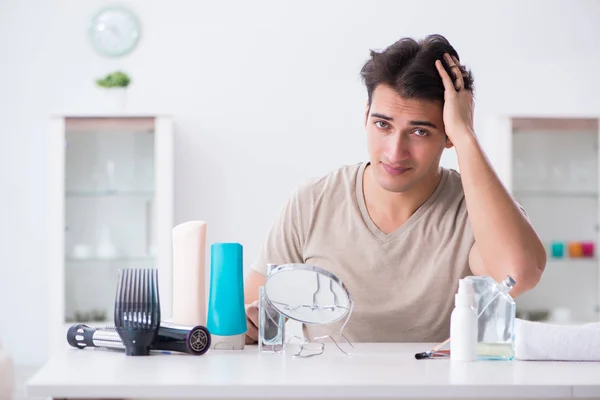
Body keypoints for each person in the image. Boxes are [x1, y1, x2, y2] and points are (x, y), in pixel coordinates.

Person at [243, 34, 546, 344]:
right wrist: (250, 325)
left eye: (419, 131)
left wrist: (466, 135)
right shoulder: (313, 201)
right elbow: (249, 318)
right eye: (382, 125)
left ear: (448, 135)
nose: (394, 151)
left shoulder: (475, 209)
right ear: (365, 116)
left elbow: (518, 275)